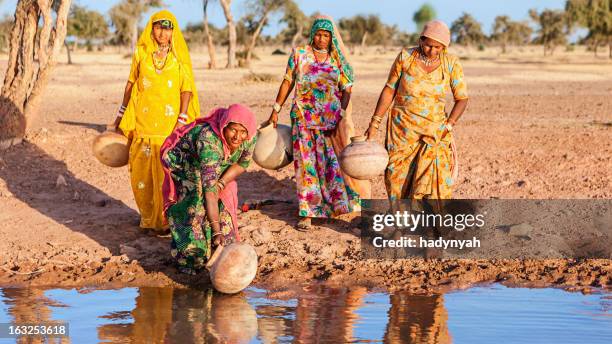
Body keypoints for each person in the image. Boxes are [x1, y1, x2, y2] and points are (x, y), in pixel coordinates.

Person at [267, 15, 369, 230]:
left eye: (326, 35)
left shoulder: (336, 60)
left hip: (329, 122)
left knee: (330, 164)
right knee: (306, 165)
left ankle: (336, 205)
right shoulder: (300, 54)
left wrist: (341, 110)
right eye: (319, 34)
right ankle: (308, 212)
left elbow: (347, 88)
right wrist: (276, 109)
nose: (322, 39)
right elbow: (287, 81)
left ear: (331, 38)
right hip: (303, 117)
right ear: (312, 35)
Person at [109, 10, 200, 233]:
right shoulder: (141, 54)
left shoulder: (179, 56)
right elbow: (130, 85)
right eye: (159, 27)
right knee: (141, 173)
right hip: (143, 122)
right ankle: (148, 218)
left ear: (173, 32)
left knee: (169, 173)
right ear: (152, 29)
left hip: (169, 125)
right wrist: (120, 116)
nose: (162, 32)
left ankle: (167, 220)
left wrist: (182, 118)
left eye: (167, 28)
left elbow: (186, 88)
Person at [365, 20, 469, 200]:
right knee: (398, 178)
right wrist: (375, 122)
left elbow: (462, 99)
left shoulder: (451, 63)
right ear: (421, 40)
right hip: (402, 132)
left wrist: (449, 125)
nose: (432, 51)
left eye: (438, 47)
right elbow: (389, 89)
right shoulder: (405, 57)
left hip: (435, 133)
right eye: (428, 45)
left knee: (436, 181)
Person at [161, 104, 257, 275]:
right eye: (233, 130)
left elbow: (242, 163)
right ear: (224, 126)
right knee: (193, 205)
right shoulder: (209, 142)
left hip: (215, 165)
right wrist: (216, 229)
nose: (238, 136)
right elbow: (209, 192)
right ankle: (189, 257)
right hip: (185, 163)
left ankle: (219, 247)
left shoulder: (250, 137)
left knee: (224, 203)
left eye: (242, 132)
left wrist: (221, 183)